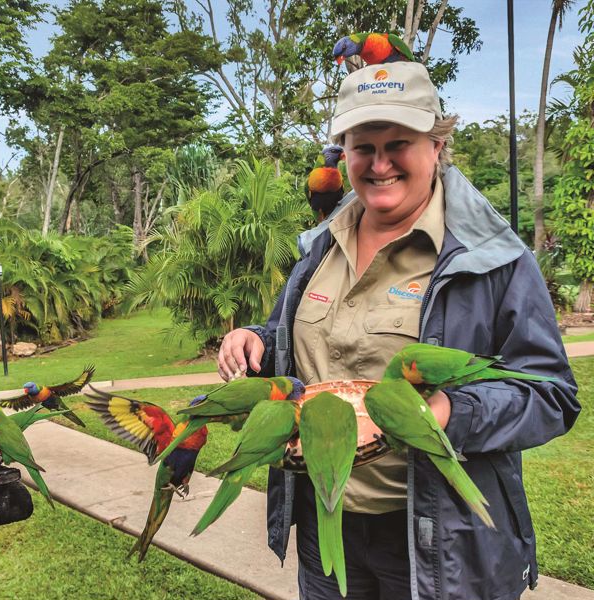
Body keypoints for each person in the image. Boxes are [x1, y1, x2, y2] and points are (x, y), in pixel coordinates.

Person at [216, 60, 580, 600]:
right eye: (364, 146)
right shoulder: (319, 248)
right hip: (327, 522)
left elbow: (551, 394)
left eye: (398, 143)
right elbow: (295, 343)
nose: (379, 163)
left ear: (436, 144)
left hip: (440, 541)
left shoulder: (493, 260)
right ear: (346, 154)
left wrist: (445, 414)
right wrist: (257, 341)